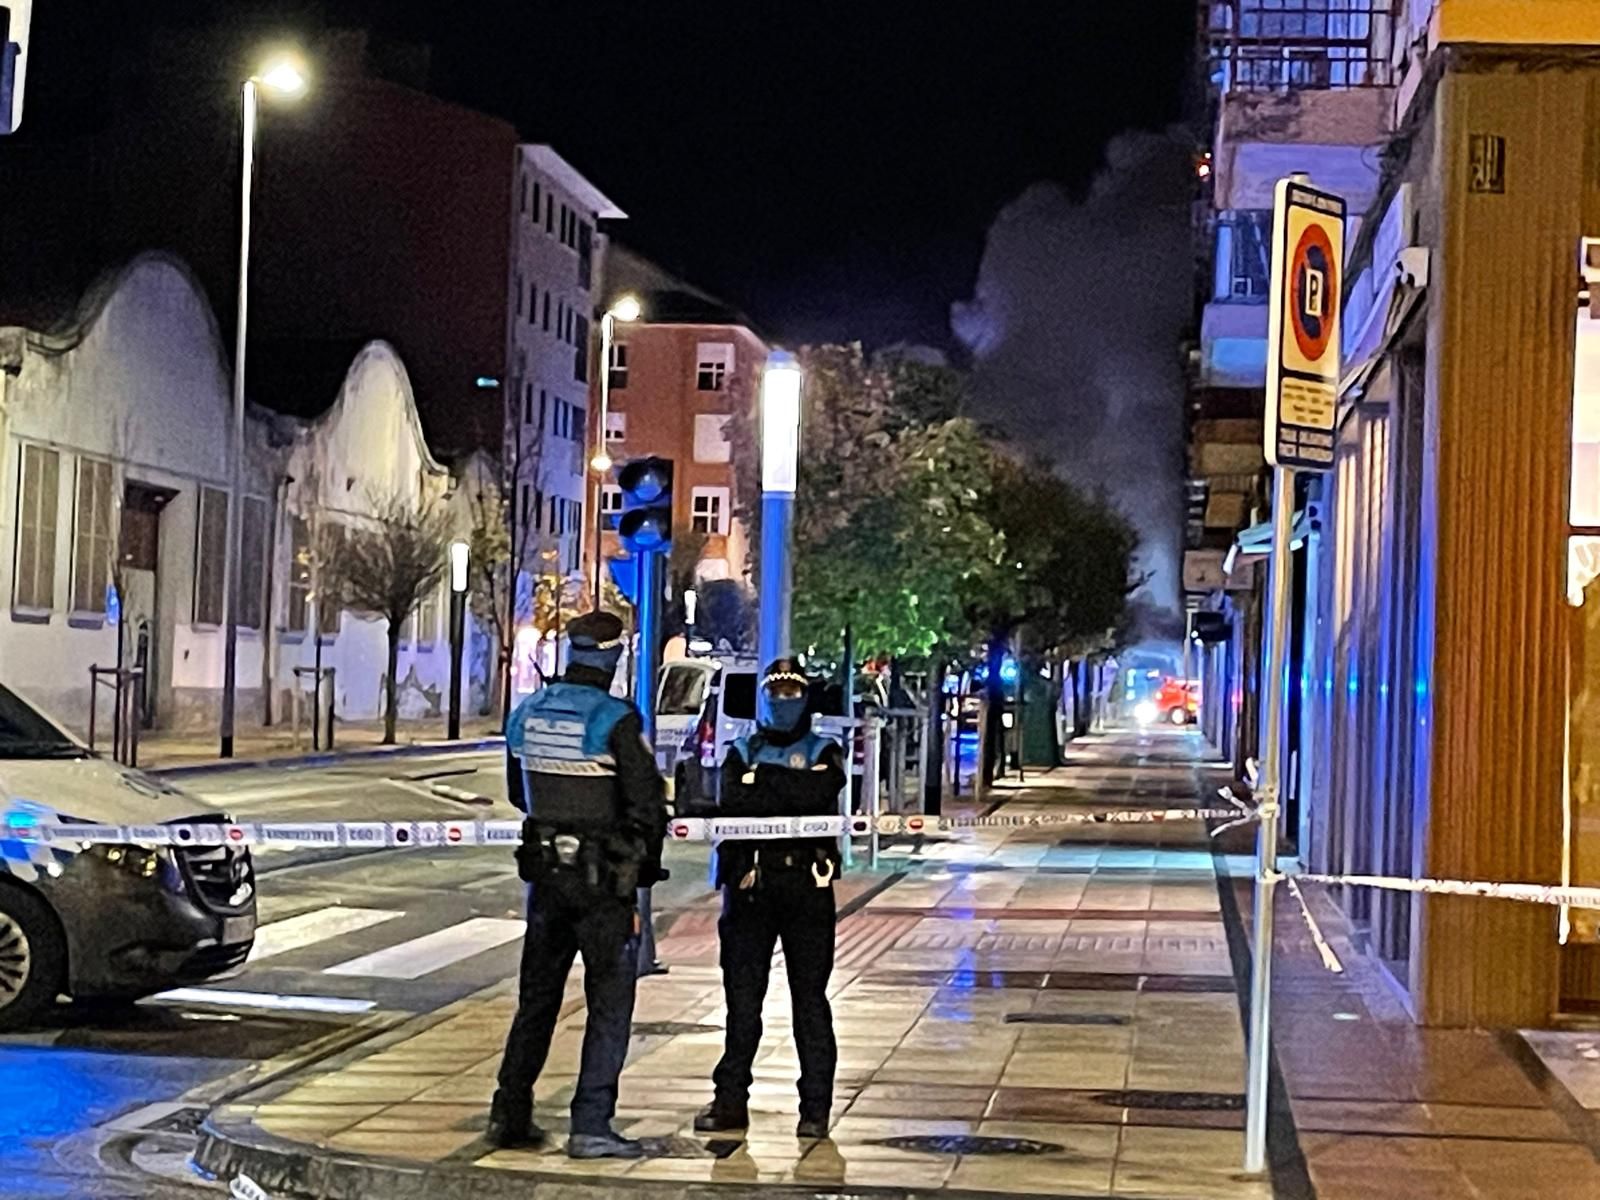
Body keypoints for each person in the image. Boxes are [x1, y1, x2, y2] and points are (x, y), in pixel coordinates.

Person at [487, 611, 667, 1159]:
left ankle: (510, 1114)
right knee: (609, 1003)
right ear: (612, 655)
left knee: (536, 1000)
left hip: (546, 879)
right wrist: (641, 867)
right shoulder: (616, 719)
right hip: (603, 886)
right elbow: (646, 806)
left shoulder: (528, 712)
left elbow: (520, 794)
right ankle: (590, 1124)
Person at [695, 659, 846, 1141]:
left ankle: (815, 1109)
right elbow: (732, 801)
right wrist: (780, 792)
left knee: (810, 1003)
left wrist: (763, 785)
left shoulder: (825, 749)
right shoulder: (741, 749)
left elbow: (821, 789)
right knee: (742, 1004)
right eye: (775, 693)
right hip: (750, 890)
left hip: (807, 888)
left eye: (793, 692)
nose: (784, 701)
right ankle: (730, 1100)